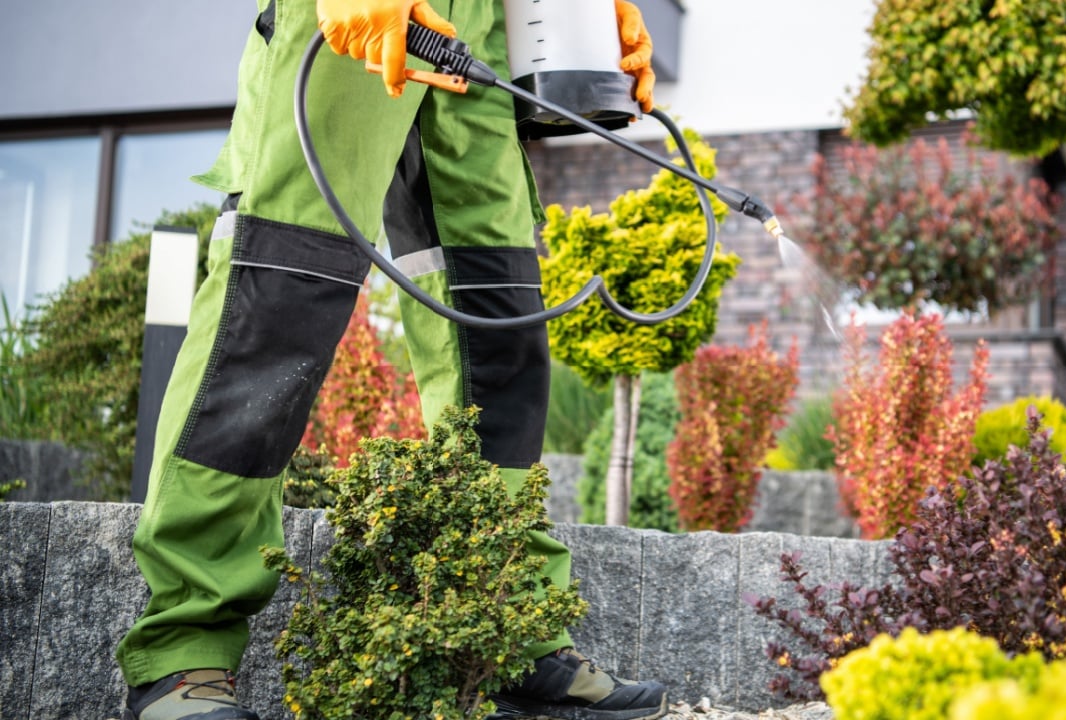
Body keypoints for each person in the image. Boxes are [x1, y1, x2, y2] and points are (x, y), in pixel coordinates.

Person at [116, 1, 661, 719]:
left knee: (496, 313)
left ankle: (503, 631)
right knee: (280, 293)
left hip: (488, 22)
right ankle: (184, 652)